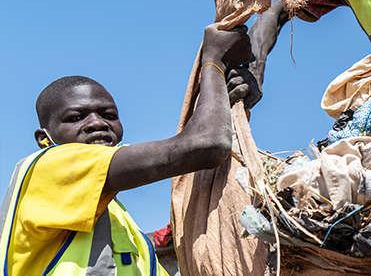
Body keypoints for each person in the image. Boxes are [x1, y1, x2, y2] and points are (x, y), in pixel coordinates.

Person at [0, 23, 251, 275]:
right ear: (44, 138)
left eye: (109, 114)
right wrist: (214, 62)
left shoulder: (110, 212)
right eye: (76, 118)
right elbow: (206, 145)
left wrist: (219, 105)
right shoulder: (48, 166)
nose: (97, 123)